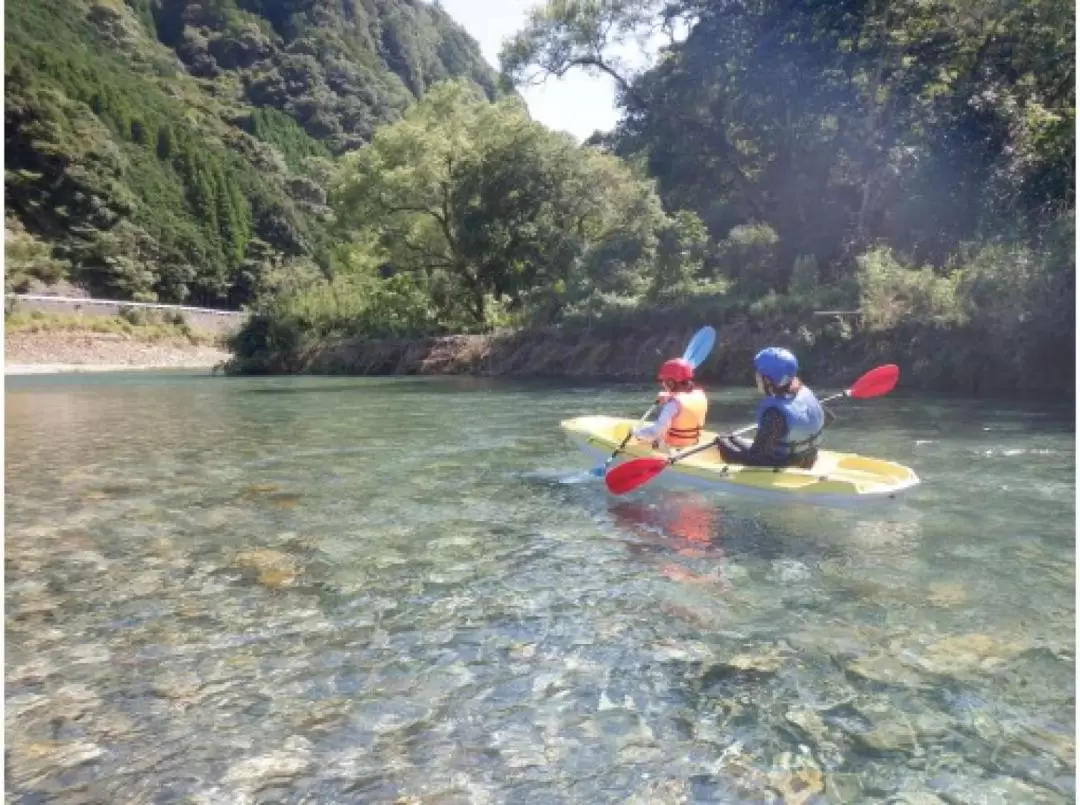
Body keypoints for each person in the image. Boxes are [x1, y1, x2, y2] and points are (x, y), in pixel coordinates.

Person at [717, 346, 835, 468]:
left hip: (787, 462)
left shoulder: (774, 413)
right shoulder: (804, 392)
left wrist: (724, 445)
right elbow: (829, 418)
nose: (756, 376)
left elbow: (755, 458)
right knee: (732, 439)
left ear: (769, 380)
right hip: (809, 456)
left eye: (759, 373)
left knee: (724, 445)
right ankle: (731, 439)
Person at [632, 357, 709, 450]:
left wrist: (635, 433)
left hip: (672, 448)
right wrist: (669, 395)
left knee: (643, 436)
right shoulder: (700, 395)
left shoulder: (673, 405)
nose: (663, 384)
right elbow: (684, 398)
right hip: (693, 444)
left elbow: (656, 433)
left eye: (664, 381)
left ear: (671, 382)